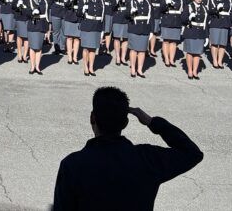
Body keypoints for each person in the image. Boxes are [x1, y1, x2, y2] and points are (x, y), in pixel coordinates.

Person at [51, 87, 203, 211]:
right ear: (125, 123)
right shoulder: (147, 159)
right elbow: (192, 153)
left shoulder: (72, 165)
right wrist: (152, 122)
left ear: (93, 118)